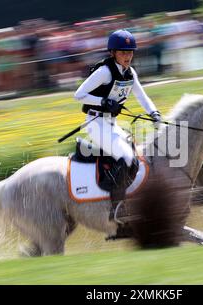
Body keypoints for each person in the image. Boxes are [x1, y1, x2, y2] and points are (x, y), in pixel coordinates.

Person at [74, 29, 162, 206]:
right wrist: (104, 101)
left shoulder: (130, 73)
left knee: (138, 157)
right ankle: (117, 209)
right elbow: (78, 94)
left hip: (111, 124)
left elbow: (142, 96)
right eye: (123, 52)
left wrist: (154, 113)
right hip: (95, 123)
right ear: (113, 53)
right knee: (127, 158)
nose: (127, 56)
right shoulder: (105, 72)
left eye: (130, 52)